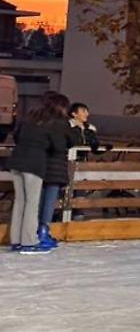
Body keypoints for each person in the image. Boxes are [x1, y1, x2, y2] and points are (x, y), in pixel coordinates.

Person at [7, 92, 70, 254]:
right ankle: (29, 242)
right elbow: (59, 146)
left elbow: (17, 136)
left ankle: (16, 240)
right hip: (34, 164)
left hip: (16, 161)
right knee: (32, 204)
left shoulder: (29, 118)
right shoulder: (54, 122)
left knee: (20, 202)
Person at [38, 102, 100, 248]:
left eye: (87, 111)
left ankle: (75, 218)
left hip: (79, 165)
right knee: (55, 194)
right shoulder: (66, 126)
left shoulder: (89, 128)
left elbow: (94, 146)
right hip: (62, 164)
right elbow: (69, 143)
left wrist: (93, 139)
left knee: (77, 191)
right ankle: (49, 224)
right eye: (83, 111)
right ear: (73, 113)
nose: (86, 114)